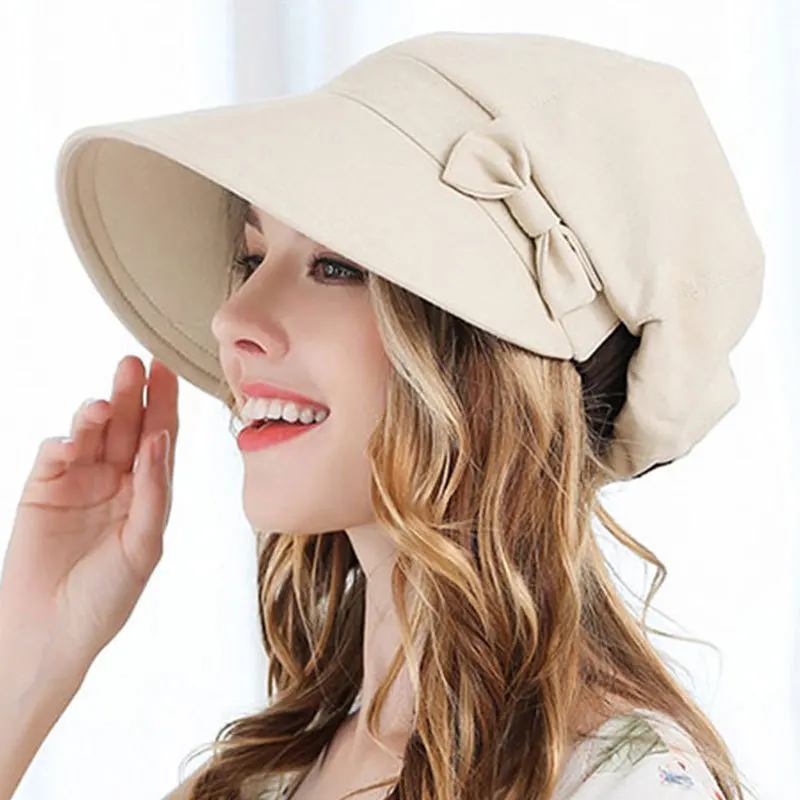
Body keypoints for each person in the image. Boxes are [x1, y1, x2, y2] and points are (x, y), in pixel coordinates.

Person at [0, 30, 764, 800]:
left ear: (491, 359)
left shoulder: (621, 784)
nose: (232, 318)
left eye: (336, 267)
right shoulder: (259, 780)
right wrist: (30, 653)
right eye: (252, 259)